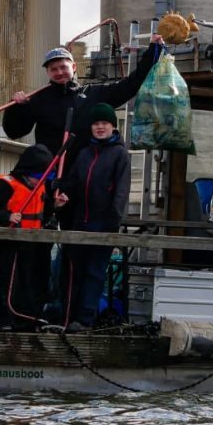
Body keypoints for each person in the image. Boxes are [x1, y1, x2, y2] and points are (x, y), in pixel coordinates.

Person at [2, 34, 166, 166]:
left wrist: (153, 51)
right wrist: (16, 108)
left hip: (86, 175)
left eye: (63, 67)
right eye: (53, 69)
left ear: (73, 67)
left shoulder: (94, 94)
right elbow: (14, 132)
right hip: (50, 175)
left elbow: (131, 84)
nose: (59, 72)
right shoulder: (38, 99)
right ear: (48, 72)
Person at [53, 103, 131, 333]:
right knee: (75, 272)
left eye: (104, 123)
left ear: (113, 127)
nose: (99, 127)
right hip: (80, 222)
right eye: (96, 124)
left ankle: (85, 320)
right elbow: (75, 184)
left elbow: (121, 192)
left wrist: (112, 224)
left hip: (103, 223)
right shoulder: (85, 153)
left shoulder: (120, 155)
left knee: (94, 274)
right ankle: (69, 316)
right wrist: (62, 189)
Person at [0, 144, 56, 331]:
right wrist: (7, 216)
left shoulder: (41, 189)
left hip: (32, 243)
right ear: (27, 171)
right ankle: (4, 318)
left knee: (30, 281)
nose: (42, 181)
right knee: (6, 281)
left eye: (47, 177)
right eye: (40, 177)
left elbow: (46, 212)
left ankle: (28, 317)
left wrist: (58, 205)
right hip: (8, 243)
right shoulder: (5, 184)